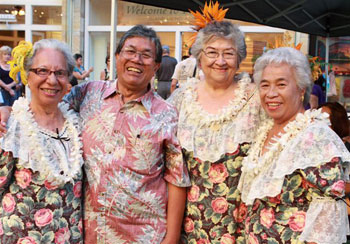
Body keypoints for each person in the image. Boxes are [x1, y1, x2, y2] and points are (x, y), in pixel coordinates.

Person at [63, 25, 190, 243]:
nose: (137, 60)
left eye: (146, 55)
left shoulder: (167, 114)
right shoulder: (87, 94)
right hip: (91, 234)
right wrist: (6, 110)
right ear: (116, 57)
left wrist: (171, 239)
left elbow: (176, 179)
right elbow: (47, 108)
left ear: (156, 66)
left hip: (145, 236)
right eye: (130, 51)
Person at [238, 47, 350, 244]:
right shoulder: (264, 132)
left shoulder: (316, 137)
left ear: (301, 88)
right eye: (264, 85)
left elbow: (326, 224)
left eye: (281, 84)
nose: (271, 93)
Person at [168, 20, 265, 242]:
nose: (220, 61)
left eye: (228, 54)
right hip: (189, 227)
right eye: (211, 52)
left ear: (239, 59)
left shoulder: (255, 99)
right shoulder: (181, 100)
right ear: (199, 58)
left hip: (243, 226)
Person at [0, 40, 83, 243]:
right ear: (28, 77)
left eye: (60, 73)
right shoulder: (11, 126)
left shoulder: (77, 124)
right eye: (42, 71)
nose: (52, 80)